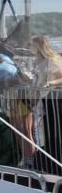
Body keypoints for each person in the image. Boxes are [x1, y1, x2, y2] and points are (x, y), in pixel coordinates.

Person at [31, 35, 62, 170]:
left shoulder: (52, 61)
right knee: (49, 133)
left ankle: (55, 163)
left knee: (55, 133)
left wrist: (50, 83)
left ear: (38, 46)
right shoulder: (38, 62)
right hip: (45, 101)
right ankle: (51, 163)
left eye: (31, 45)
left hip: (54, 102)